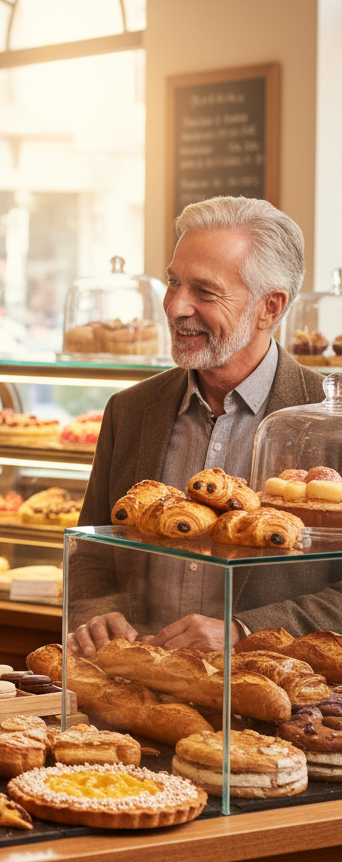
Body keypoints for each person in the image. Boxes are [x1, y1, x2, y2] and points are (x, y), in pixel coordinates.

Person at [69, 196, 335, 657]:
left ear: (269, 308)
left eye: (205, 292)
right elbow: (91, 556)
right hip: (138, 683)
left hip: (269, 692)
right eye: (174, 282)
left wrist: (243, 632)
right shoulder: (129, 411)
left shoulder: (329, 422)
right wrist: (98, 612)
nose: (175, 306)